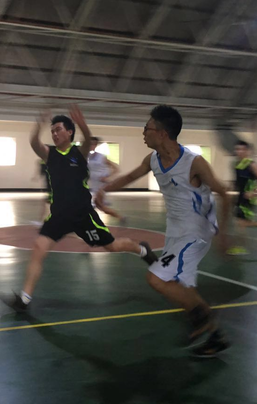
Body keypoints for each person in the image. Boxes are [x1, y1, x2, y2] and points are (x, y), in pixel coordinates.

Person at [96, 105, 231, 357]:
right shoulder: (153, 159)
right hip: (175, 230)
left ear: (163, 133)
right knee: (181, 286)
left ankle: (204, 317)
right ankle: (215, 335)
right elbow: (130, 177)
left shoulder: (194, 163)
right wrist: (105, 189)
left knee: (156, 278)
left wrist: (223, 234)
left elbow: (224, 193)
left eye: (147, 128)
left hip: (196, 231)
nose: (143, 132)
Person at [0, 105, 157, 312]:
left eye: (58, 129)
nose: (54, 134)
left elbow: (87, 140)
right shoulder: (50, 154)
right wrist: (38, 126)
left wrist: (83, 125)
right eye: (52, 131)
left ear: (69, 132)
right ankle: (24, 300)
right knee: (39, 247)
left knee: (112, 246)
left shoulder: (79, 154)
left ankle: (142, 250)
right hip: (58, 217)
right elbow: (34, 143)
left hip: (83, 216)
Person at [227, 141, 257, 255]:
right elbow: (237, 181)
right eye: (237, 149)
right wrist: (230, 188)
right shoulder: (236, 164)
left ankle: (241, 247)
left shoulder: (252, 165)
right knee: (243, 222)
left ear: (248, 151)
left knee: (241, 223)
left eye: (242, 149)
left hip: (248, 198)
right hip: (240, 196)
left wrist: (253, 192)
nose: (240, 152)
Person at [88, 137, 125, 222]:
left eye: (93, 144)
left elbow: (116, 168)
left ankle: (120, 217)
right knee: (100, 207)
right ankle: (120, 217)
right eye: (90, 144)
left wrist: (107, 177)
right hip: (94, 185)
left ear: (96, 145)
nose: (91, 146)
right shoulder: (88, 156)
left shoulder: (101, 157)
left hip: (101, 186)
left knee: (99, 206)